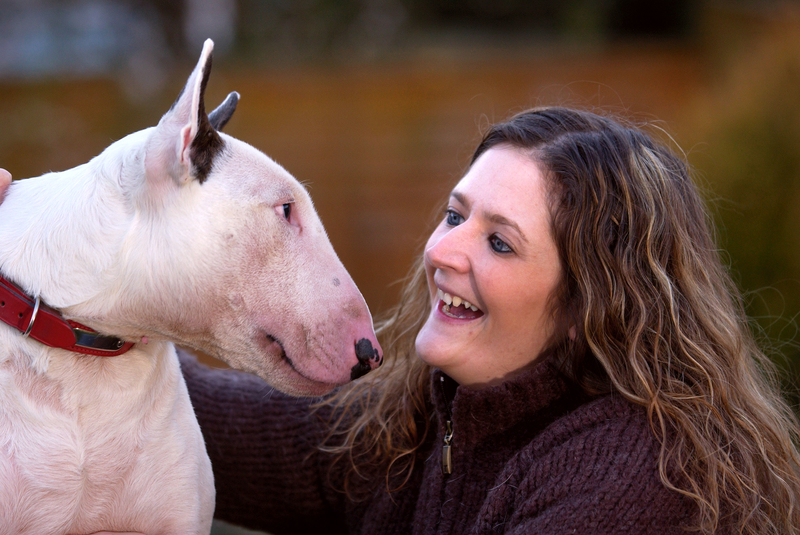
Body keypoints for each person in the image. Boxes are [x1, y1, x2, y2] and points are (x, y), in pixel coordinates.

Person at [3, 106, 800, 534]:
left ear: (592, 303)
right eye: (455, 213)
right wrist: (39, 294)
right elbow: (232, 427)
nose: (443, 250)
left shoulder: (636, 481)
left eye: (498, 240)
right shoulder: (426, 420)